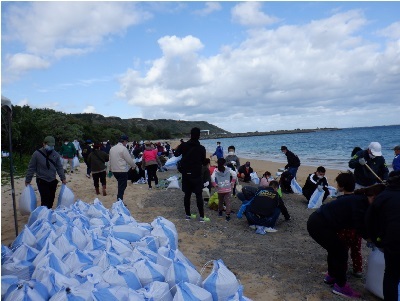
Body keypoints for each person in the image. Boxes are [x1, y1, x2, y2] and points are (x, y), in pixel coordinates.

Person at [307, 172, 386, 299]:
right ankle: (340, 285)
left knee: (334, 249)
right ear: (373, 197)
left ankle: (331, 276)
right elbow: (360, 227)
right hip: (319, 224)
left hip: (318, 221)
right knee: (341, 251)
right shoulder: (360, 203)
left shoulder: (359, 199)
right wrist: (374, 241)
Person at [365, 170, 400, 301]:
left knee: (392, 275)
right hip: (392, 240)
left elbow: (369, 221)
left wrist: (377, 241)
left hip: (392, 242)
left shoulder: (383, 196)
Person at [174, 127, 210, 222]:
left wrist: (180, 146)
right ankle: (202, 217)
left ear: (190, 135)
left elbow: (176, 154)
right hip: (196, 173)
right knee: (198, 195)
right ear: (199, 136)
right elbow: (203, 161)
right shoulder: (201, 148)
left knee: (187, 194)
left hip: (186, 173)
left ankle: (188, 215)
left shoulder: (184, 145)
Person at [25, 136, 67, 209]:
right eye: (49, 145)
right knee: (45, 199)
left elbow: (59, 167)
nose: (50, 147)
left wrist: (63, 178)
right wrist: (28, 180)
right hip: (42, 180)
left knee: (51, 199)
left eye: (52, 145)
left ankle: (48, 213)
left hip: (52, 180)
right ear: (44, 144)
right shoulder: (36, 154)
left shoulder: (56, 155)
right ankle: (44, 215)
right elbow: (31, 168)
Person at [335, 171, 363, 278]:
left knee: (343, 250)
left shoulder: (340, 200)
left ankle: (343, 269)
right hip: (357, 229)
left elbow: (337, 217)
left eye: (338, 184)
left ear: (341, 187)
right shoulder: (360, 199)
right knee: (356, 250)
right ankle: (358, 269)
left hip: (344, 230)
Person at [109, 134, 136, 201]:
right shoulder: (123, 149)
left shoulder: (112, 148)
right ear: (124, 141)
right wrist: (134, 166)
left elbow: (110, 160)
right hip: (122, 170)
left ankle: (119, 200)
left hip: (114, 170)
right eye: (126, 142)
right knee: (122, 187)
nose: (126, 143)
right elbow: (129, 159)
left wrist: (110, 170)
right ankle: (119, 201)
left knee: (120, 185)